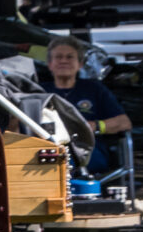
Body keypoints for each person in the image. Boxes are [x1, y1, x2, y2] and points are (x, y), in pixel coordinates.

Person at [45, 38, 130, 177]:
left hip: (87, 149)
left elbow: (124, 123)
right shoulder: (39, 91)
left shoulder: (94, 89)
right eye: (58, 57)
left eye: (69, 57)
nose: (64, 61)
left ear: (80, 64)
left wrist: (93, 126)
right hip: (48, 149)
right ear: (50, 64)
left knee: (65, 161)